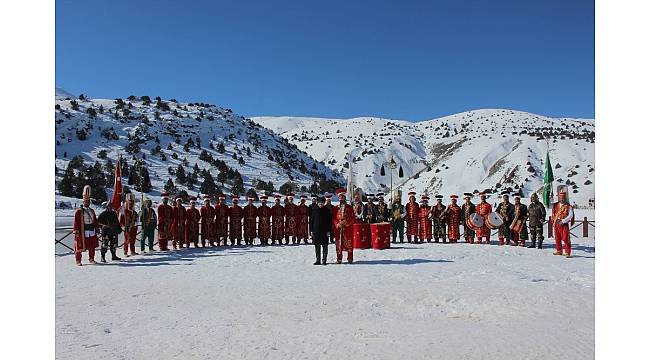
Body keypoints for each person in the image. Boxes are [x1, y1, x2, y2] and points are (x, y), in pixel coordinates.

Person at [73, 185, 99, 265]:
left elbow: (94, 220)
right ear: (83, 202)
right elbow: (76, 222)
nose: (87, 203)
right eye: (86, 201)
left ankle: (91, 258)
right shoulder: (79, 211)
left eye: (88, 202)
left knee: (92, 246)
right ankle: (78, 260)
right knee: (79, 246)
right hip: (82, 231)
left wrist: (97, 228)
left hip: (91, 230)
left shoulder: (92, 210)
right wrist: (76, 231)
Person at [334, 189, 355, 264]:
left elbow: (353, 217)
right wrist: (337, 223)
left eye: (342, 197)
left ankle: (350, 258)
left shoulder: (349, 207)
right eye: (340, 197)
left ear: (345, 198)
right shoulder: (336, 208)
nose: (341, 199)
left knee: (349, 243)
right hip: (339, 228)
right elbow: (334, 218)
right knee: (339, 243)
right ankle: (339, 258)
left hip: (347, 228)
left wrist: (346, 221)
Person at [552, 187, 574, 258]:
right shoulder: (555, 205)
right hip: (557, 222)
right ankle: (559, 250)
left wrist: (563, 221)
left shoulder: (568, 206)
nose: (562, 199)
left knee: (565, 238)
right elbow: (554, 213)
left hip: (564, 223)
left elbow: (571, 215)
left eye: (563, 198)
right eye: (560, 198)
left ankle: (567, 252)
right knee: (557, 237)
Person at [311, 196, 332, 265]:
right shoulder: (314, 210)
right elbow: (311, 221)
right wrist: (311, 230)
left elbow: (330, 222)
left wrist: (329, 231)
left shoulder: (327, 211)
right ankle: (318, 260)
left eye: (322, 203)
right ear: (317, 203)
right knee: (317, 246)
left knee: (325, 246)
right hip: (316, 231)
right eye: (320, 203)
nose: (321, 204)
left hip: (325, 231)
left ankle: (324, 260)